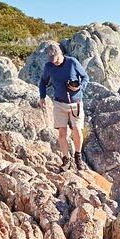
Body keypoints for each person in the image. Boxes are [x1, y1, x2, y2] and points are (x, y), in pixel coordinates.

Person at [38, 41, 89, 171]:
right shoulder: (49, 66)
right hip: (59, 103)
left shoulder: (72, 62)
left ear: (61, 53)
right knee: (62, 133)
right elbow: (43, 82)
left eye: (56, 59)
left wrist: (79, 87)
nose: (54, 62)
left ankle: (78, 157)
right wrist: (42, 97)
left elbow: (85, 77)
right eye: (52, 60)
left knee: (77, 130)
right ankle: (66, 159)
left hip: (75, 103)